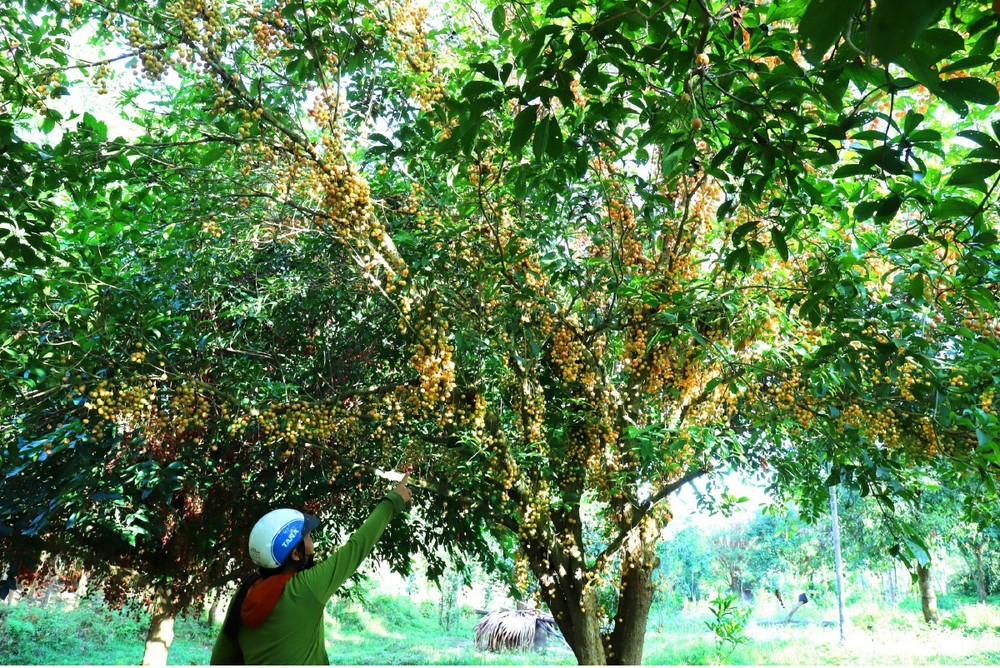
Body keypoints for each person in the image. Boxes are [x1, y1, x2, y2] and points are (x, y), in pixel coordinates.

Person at [210, 473, 412, 664]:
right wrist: (394, 500)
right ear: (296, 554)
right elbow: (358, 546)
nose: (311, 541)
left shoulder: (244, 594)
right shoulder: (306, 588)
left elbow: (220, 660)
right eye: (307, 536)